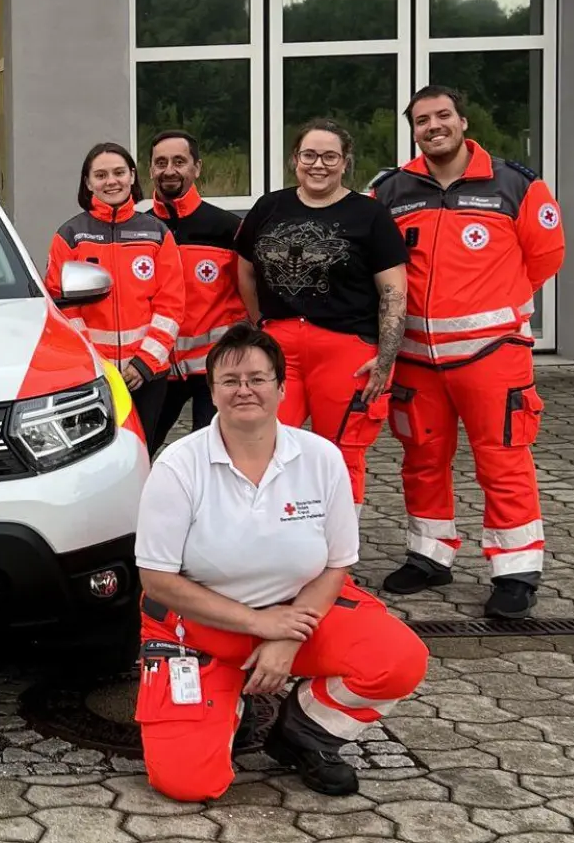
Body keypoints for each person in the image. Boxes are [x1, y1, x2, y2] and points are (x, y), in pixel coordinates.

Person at [133, 322, 428, 802]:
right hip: (200, 629)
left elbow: (335, 566)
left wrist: (287, 636)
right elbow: (158, 581)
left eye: (257, 378)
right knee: (188, 784)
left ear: (282, 386)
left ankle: (303, 733)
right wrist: (261, 625)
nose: (244, 390)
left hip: (301, 614)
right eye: (229, 381)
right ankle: (226, 705)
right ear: (212, 392)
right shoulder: (176, 467)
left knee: (397, 660)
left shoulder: (321, 458)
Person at [370, 86, 567, 619]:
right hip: (415, 357)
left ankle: (515, 570)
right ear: (412, 129)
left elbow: (546, 256)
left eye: (442, 116)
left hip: (491, 354)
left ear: (463, 120)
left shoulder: (515, 185)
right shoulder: (390, 190)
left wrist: (493, 303)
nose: (433, 126)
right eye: (421, 120)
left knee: (502, 460)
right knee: (422, 459)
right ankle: (429, 554)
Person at [234, 119, 408, 509]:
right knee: (267, 446)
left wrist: (385, 359)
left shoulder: (370, 215)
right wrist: (261, 322)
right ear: (295, 159)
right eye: (309, 155)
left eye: (330, 156)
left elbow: (393, 291)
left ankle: (338, 563)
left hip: (346, 350)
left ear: (345, 162)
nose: (319, 164)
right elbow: (244, 267)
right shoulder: (269, 206)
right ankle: (275, 550)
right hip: (279, 347)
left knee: (342, 455)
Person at [47, 142, 185, 454]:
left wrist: (144, 363)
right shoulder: (70, 235)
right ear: (87, 182)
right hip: (92, 377)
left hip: (146, 375)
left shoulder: (156, 233)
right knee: (89, 458)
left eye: (119, 172)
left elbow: (171, 306)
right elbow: (63, 307)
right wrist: (97, 365)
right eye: (101, 174)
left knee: (141, 454)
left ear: (132, 176)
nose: (111, 181)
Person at [146, 129, 247, 446]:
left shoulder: (227, 228)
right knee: (138, 448)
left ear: (197, 167)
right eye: (160, 162)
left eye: (179, 161)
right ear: (151, 170)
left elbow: (251, 291)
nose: (169, 170)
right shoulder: (141, 230)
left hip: (215, 369)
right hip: (159, 366)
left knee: (212, 453)